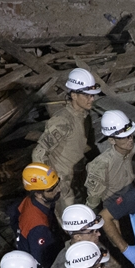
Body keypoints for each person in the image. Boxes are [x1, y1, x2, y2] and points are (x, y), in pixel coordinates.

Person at [33, 68, 101, 207]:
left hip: (79, 179)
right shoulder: (62, 121)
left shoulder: (84, 116)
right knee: (72, 224)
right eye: (87, 95)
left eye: (93, 95)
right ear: (74, 95)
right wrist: (50, 185)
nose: (92, 99)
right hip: (63, 185)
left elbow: (83, 145)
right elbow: (39, 153)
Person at [85, 109, 135, 210]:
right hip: (114, 211)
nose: (130, 139)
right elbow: (93, 201)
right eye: (124, 137)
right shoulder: (100, 165)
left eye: (131, 134)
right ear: (112, 140)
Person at [10, 163, 64, 268]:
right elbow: (42, 262)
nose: (58, 190)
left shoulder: (28, 201)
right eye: (51, 189)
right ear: (38, 194)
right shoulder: (38, 228)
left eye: (57, 184)